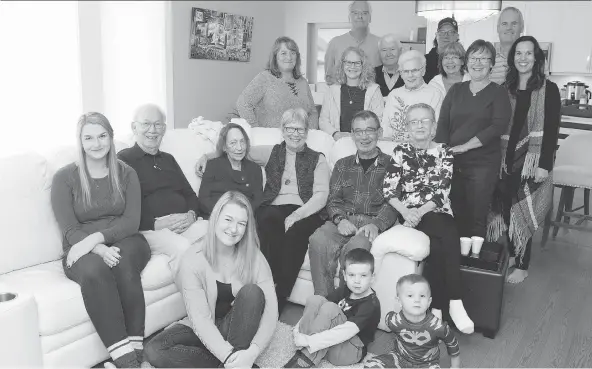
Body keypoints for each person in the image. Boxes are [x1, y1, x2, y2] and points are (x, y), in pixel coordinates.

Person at [196, 108, 330, 314]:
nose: (295, 134)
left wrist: (297, 215)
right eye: (290, 129)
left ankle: (279, 297)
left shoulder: (317, 158)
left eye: (300, 129)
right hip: (274, 206)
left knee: (295, 234)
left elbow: (321, 195)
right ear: (282, 130)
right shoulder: (273, 151)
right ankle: (262, 287)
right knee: (264, 221)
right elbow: (240, 150)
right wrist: (207, 156)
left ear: (307, 131)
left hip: (306, 210)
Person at [51, 112, 150, 368]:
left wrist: (97, 238)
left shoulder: (127, 173)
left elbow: (131, 222)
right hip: (80, 247)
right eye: (89, 138)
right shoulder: (64, 178)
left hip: (126, 239)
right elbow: (70, 229)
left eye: (102, 136)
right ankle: (128, 361)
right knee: (95, 270)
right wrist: (94, 247)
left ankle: (133, 354)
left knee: (122, 261)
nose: (96, 144)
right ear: (80, 142)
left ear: (111, 137)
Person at [143, 191, 278, 368]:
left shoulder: (255, 257)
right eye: (228, 220)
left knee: (252, 293)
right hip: (205, 325)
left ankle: (237, 360)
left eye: (241, 223)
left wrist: (253, 351)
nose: (233, 229)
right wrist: (228, 356)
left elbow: (271, 311)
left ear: (247, 228)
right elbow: (200, 320)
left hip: (239, 326)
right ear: (215, 218)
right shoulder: (192, 258)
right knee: (154, 349)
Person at [380, 103, 474, 334]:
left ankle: (439, 309)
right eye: (414, 122)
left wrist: (418, 213)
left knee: (441, 241)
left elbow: (442, 191)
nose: (419, 126)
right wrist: (405, 212)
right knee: (448, 231)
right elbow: (389, 189)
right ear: (407, 128)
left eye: (425, 121)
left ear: (433, 127)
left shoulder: (445, 152)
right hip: (410, 212)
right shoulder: (400, 152)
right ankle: (455, 302)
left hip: (434, 210)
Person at [488, 36, 560, 284]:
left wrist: (544, 166)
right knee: (506, 209)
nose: (523, 58)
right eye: (518, 53)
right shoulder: (505, 87)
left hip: (531, 159)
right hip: (505, 157)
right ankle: (513, 253)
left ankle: (523, 265)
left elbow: (551, 129)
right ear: (512, 57)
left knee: (522, 210)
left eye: (529, 53)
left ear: (537, 58)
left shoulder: (548, 89)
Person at [309, 110, 398, 297]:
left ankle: (345, 302)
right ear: (352, 135)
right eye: (358, 131)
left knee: (355, 250)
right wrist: (340, 220)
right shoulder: (342, 165)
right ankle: (324, 301)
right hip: (343, 219)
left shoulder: (392, 165)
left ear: (379, 133)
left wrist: (376, 225)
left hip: (370, 223)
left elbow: (393, 203)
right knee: (317, 240)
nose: (364, 136)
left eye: (370, 130)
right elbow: (333, 199)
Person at [118, 104, 207, 279]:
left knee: (219, 233)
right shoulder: (123, 160)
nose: (152, 130)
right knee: (183, 249)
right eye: (146, 124)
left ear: (164, 129)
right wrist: (155, 224)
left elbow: (190, 194)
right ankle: (200, 302)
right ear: (134, 127)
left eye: (158, 124)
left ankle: (225, 296)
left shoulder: (168, 159)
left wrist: (191, 215)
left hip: (184, 223)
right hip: (150, 229)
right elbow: (123, 207)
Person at [435, 40, 512, 241]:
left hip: (482, 165)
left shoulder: (499, 93)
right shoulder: (456, 90)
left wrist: (464, 147)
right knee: (454, 212)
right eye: (473, 58)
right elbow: (443, 124)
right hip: (453, 162)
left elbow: (497, 127)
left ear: (492, 64)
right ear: (466, 63)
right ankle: (455, 259)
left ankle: (473, 262)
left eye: (483, 58)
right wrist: (442, 153)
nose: (478, 63)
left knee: (477, 215)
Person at [283, 249, 381, 368]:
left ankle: (306, 357)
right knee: (316, 300)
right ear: (344, 275)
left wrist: (310, 341)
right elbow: (319, 307)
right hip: (329, 344)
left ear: (372, 277)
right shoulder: (346, 289)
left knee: (330, 309)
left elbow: (345, 332)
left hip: (350, 350)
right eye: (351, 275)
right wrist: (297, 331)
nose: (356, 281)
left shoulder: (371, 304)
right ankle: (305, 343)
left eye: (363, 275)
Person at [365, 274, 461, 369]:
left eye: (422, 296)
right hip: (399, 358)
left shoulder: (438, 327)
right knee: (371, 365)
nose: (417, 300)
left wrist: (455, 366)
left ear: (429, 301)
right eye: (410, 295)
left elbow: (453, 344)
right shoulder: (393, 320)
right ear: (399, 301)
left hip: (427, 364)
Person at [236, 36, 318, 129]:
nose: (289, 57)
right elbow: (243, 104)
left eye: (293, 53)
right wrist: (256, 130)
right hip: (271, 140)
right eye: (283, 53)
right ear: (275, 56)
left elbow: (312, 112)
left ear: (297, 56)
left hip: (299, 139)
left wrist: (310, 132)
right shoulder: (265, 78)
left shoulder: (303, 82)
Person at [198, 123, 263, 217]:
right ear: (224, 147)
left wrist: (240, 214)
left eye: (242, 142)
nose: (239, 148)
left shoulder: (255, 169)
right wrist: (226, 214)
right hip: (216, 217)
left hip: (244, 218)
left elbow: (257, 201)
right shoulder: (212, 166)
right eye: (233, 143)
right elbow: (203, 200)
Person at [319, 47, 384, 141]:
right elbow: (323, 120)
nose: (352, 67)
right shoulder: (331, 90)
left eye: (357, 63)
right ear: (342, 64)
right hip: (338, 143)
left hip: (365, 142)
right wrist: (335, 134)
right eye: (348, 62)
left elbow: (379, 120)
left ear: (363, 65)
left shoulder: (374, 90)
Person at [381, 50, 444, 142]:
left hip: (422, 149)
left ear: (423, 71)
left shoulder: (434, 94)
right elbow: (385, 127)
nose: (410, 75)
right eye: (406, 71)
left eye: (414, 70)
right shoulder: (393, 95)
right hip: (393, 147)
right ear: (401, 74)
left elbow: (434, 129)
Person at [324, 1, 381, 85]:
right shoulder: (335, 43)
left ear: (370, 18)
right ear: (349, 17)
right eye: (355, 13)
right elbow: (329, 77)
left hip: (372, 96)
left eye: (364, 13)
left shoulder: (380, 44)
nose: (360, 16)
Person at [490, 7, 525, 84]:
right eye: (504, 24)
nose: (509, 28)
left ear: (522, 28)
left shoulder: (535, 58)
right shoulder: (487, 57)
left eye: (514, 24)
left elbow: (543, 92)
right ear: (498, 28)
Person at [424, 17, 460, 84]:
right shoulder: (424, 61)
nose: (446, 36)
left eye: (451, 32)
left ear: (457, 36)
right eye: (442, 32)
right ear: (436, 35)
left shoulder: (464, 60)